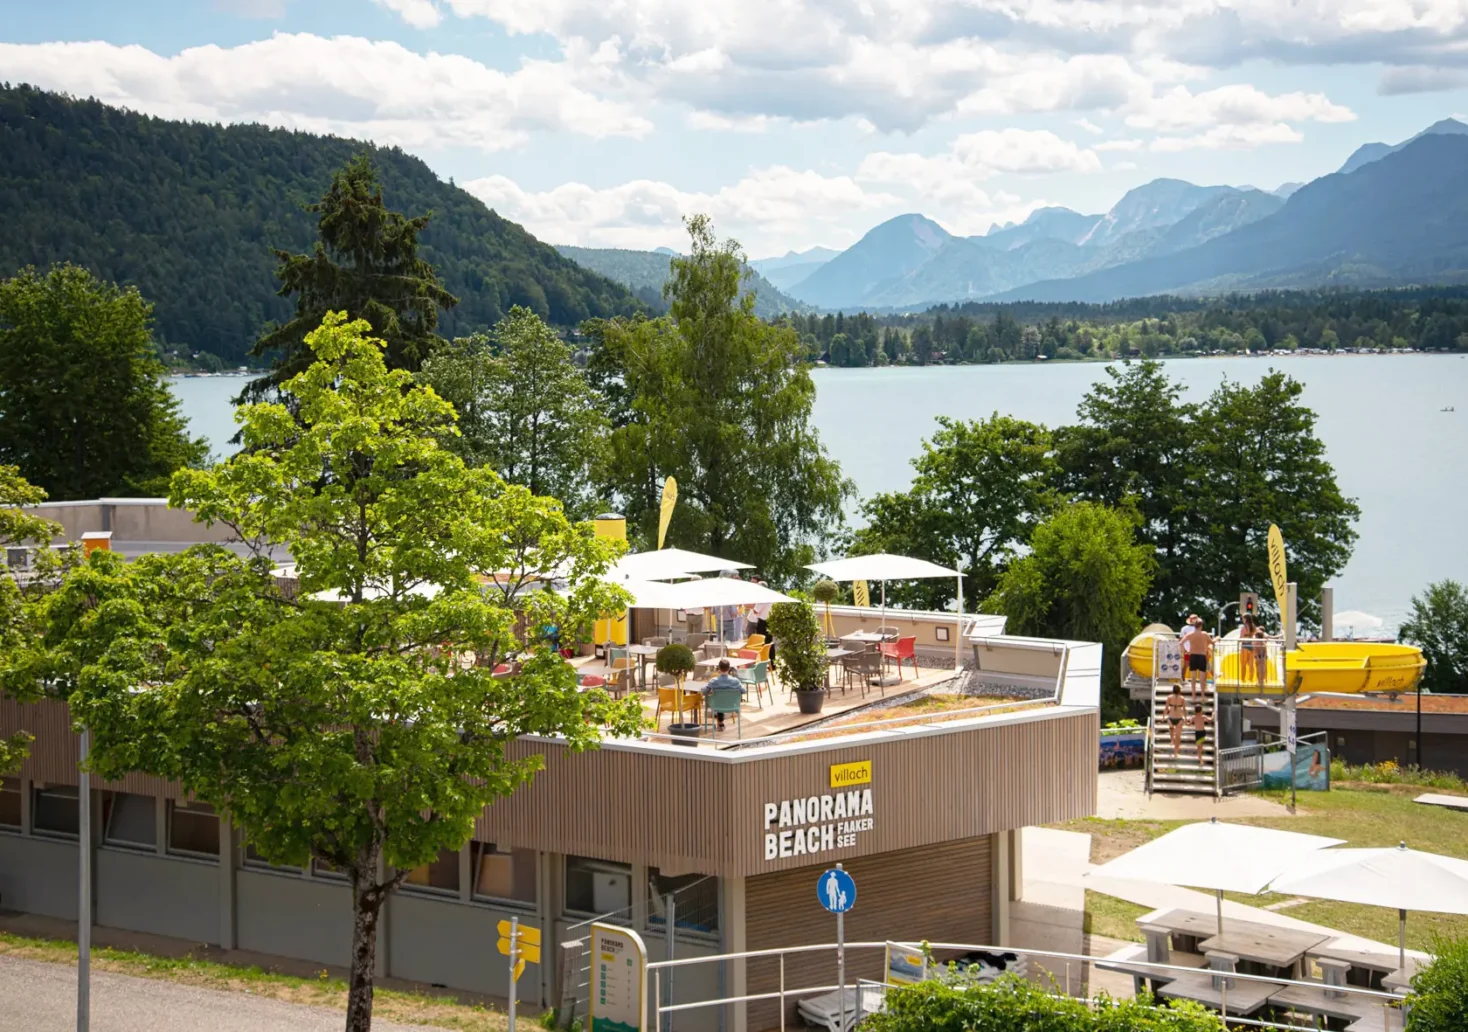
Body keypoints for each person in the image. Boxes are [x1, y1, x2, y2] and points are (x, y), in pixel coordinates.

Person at [703, 658, 745, 731]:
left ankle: (719, 723)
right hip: (732, 704)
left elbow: (704, 692)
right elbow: (744, 691)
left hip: (717, 705)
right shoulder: (735, 681)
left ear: (719, 668)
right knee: (721, 699)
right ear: (729, 668)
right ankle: (720, 723)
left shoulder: (714, 681)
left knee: (717, 700)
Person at [1179, 615, 1212, 701]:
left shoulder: (1190, 634)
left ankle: (1193, 696)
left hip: (1192, 655)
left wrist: (1186, 650)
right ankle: (1202, 696)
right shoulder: (1204, 634)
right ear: (1201, 626)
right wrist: (1217, 638)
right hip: (1201, 656)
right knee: (1202, 679)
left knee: (1193, 678)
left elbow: (1181, 642)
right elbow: (1212, 642)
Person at [1165, 685, 1187, 755]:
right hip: (1179, 718)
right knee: (1178, 736)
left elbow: (1166, 708)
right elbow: (1184, 709)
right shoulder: (1182, 698)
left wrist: (1163, 716)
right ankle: (1176, 752)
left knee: (1171, 729)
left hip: (1171, 717)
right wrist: (1185, 718)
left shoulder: (1169, 697)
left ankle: (1172, 740)